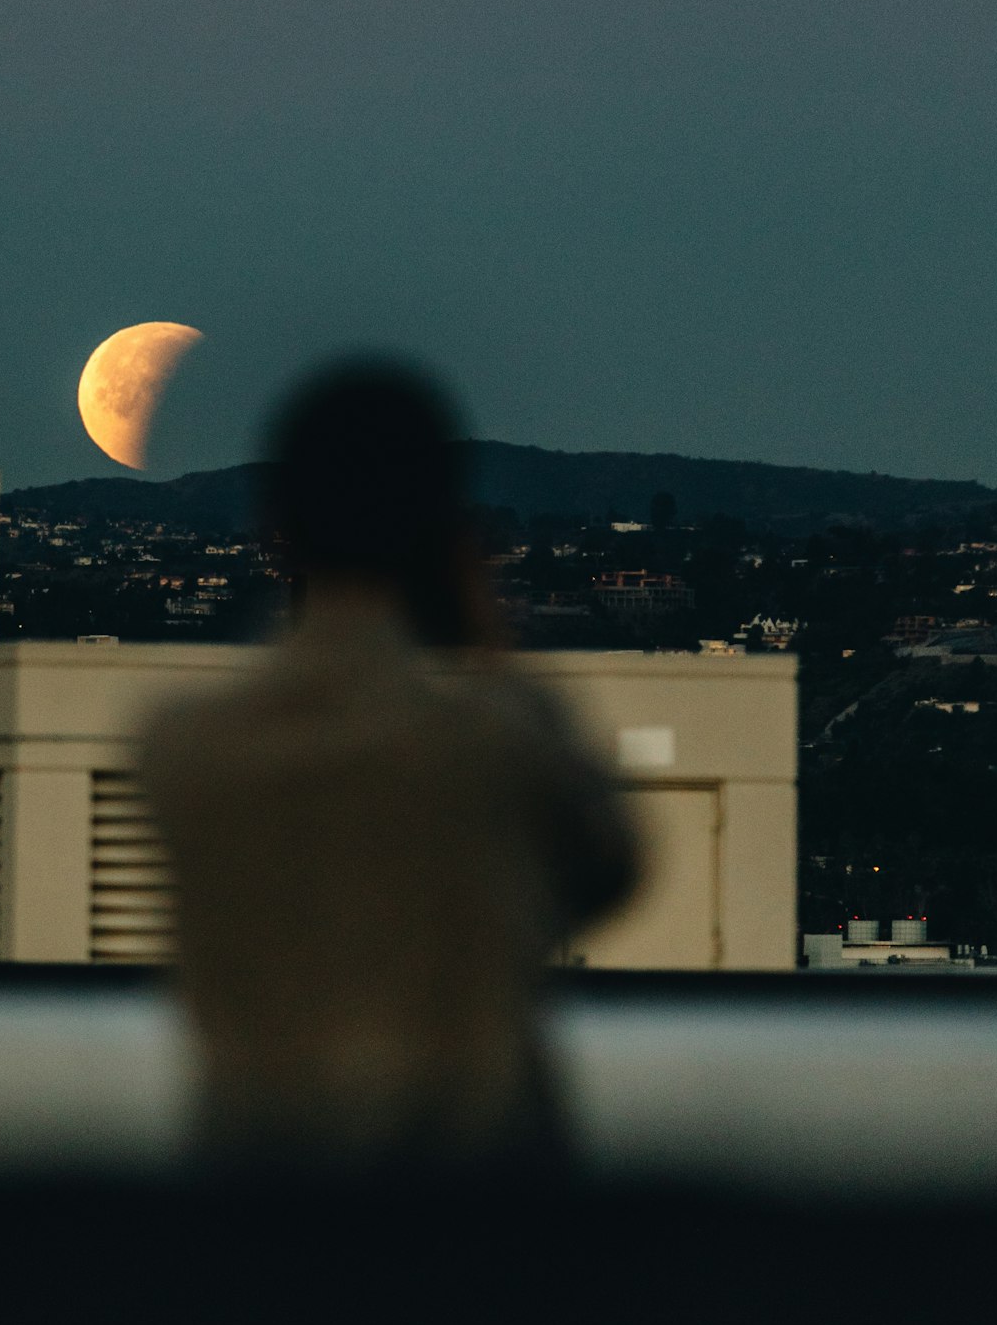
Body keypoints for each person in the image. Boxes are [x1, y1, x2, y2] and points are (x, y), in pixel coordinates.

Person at [140, 360, 642, 1166]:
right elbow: (609, 870)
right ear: (443, 532)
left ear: (278, 529)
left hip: (256, 1210)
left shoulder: (183, 749)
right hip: (472, 1213)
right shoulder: (497, 738)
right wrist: (492, 644)